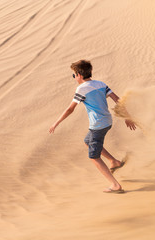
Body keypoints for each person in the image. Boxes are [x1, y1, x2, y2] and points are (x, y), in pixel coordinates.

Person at [49, 60, 136, 194]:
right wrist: (127, 116)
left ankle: (115, 185)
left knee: (94, 157)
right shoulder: (100, 84)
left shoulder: (81, 89)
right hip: (107, 121)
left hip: (98, 125)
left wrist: (56, 123)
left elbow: (70, 109)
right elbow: (117, 99)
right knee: (87, 142)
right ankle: (114, 161)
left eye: (74, 75)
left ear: (79, 74)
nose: (74, 78)